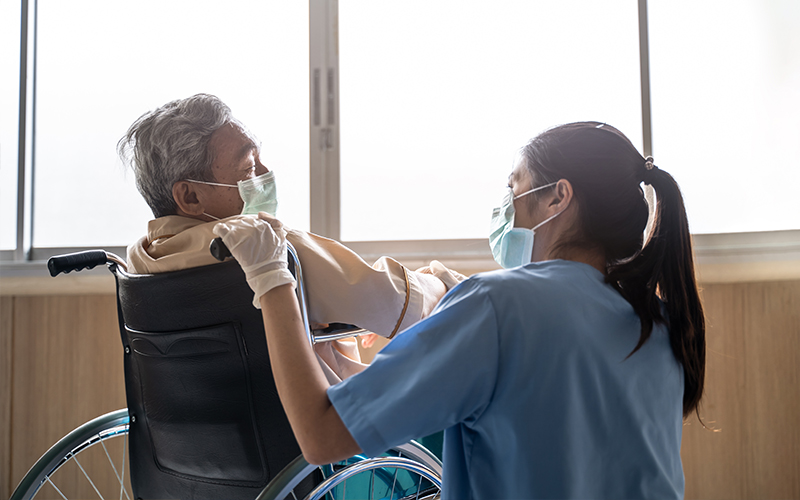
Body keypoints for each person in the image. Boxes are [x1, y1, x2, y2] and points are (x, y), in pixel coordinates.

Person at [214, 121, 707, 499]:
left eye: (514, 188)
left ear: (559, 196)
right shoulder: (659, 321)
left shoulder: (497, 305)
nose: (507, 206)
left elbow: (321, 436)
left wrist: (272, 278)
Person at [118, 93, 458, 382]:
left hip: (197, 446)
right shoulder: (267, 249)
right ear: (190, 197)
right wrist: (438, 280)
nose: (266, 175)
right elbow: (395, 304)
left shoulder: (140, 262)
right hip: (316, 439)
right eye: (249, 168)